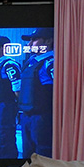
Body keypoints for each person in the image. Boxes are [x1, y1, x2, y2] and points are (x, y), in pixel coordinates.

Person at [19, 28, 54, 158]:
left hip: (42, 118)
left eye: (34, 40)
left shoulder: (51, 63)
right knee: (27, 154)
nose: (29, 44)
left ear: (48, 41)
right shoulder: (31, 62)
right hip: (27, 115)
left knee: (42, 154)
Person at [0, 34, 21, 159]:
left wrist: (18, 108)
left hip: (4, 107)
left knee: (5, 138)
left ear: (2, 47)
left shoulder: (9, 65)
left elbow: (18, 89)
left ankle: (8, 163)